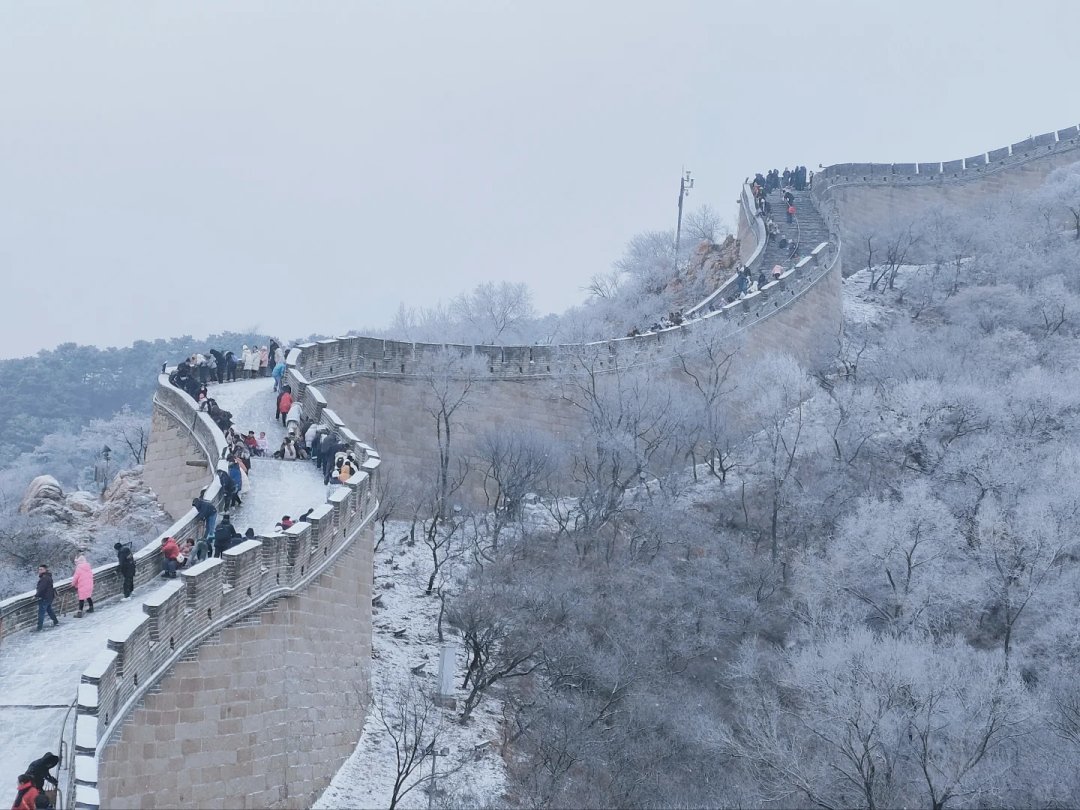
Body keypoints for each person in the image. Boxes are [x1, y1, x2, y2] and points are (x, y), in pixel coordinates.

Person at [35, 565, 58, 632]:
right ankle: (55, 621)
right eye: (39, 569)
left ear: (45, 570)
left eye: (41, 569)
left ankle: (39, 627)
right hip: (49, 597)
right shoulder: (48, 576)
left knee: (41, 613)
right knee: (49, 610)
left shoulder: (44, 578)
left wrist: (36, 595)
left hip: (44, 597)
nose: (40, 571)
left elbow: (42, 588)